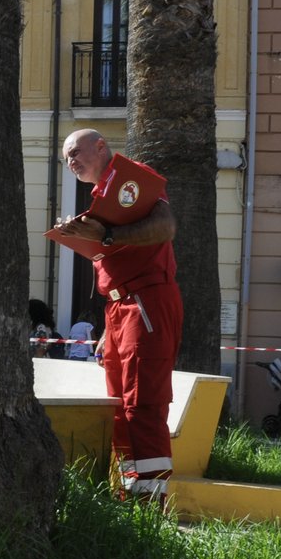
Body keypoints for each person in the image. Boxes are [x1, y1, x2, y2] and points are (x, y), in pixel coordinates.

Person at [51, 128, 182, 501]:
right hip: (121, 307)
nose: (71, 162)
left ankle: (150, 501)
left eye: (76, 152)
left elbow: (165, 227)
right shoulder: (101, 197)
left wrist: (106, 234)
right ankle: (129, 494)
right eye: (66, 159)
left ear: (101, 146)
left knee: (143, 402)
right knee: (120, 405)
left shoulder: (130, 178)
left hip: (146, 302)